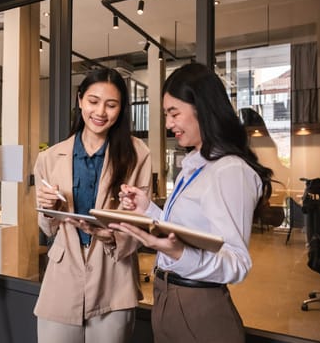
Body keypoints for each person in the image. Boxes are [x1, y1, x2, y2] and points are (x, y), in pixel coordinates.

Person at [109, 62, 273, 343]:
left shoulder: (229, 170)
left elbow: (237, 263)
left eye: (174, 113)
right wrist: (148, 209)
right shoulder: (196, 164)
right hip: (169, 297)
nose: (169, 124)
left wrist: (178, 253)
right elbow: (187, 229)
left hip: (199, 307)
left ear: (204, 109)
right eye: (165, 114)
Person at [33, 68, 152, 343]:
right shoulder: (49, 158)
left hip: (114, 276)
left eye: (111, 105)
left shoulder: (138, 155)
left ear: (121, 109)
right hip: (62, 277)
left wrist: (110, 235)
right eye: (93, 101)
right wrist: (47, 209)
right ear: (80, 100)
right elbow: (47, 228)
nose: (101, 112)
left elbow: (141, 223)